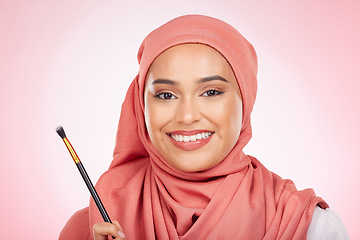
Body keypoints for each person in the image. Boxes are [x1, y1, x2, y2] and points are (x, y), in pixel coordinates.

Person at [59, 15, 349, 240]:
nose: (186, 116)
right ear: (141, 106)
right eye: (165, 95)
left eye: (211, 92)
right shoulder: (94, 225)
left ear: (245, 100)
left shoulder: (306, 226)